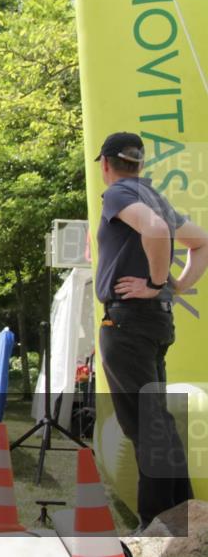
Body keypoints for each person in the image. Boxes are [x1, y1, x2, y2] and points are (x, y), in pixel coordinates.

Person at [94, 132, 207, 529]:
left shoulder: (119, 195)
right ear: (140, 163)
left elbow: (155, 231)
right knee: (157, 420)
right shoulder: (154, 196)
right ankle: (185, 517)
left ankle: (155, 525)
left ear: (106, 164)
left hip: (128, 320)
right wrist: (174, 286)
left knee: (145, 424)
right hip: (155, 321)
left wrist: (158, 283)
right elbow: (202, 242)